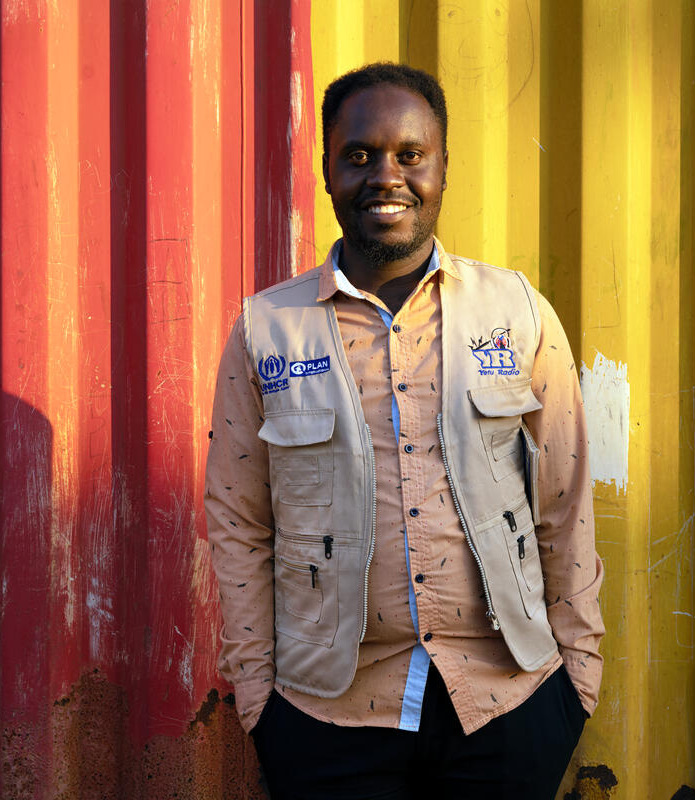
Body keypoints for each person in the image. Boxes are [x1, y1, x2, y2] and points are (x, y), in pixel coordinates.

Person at [204, 62, 604, 799]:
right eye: (359, 156)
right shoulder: (267, 329)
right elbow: (238, 520)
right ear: (327, 172)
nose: (385, 176)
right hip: (326, 716)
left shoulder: (514, 310)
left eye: (409, 155)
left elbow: (564, 498)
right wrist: (259, 701)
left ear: (443, 169)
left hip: (508, 701)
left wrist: (576, 676)